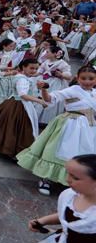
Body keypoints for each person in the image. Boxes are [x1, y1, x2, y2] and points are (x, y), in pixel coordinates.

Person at [18, 65, 96, 195]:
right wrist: (44, 90)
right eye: (84, 78)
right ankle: (46, 178)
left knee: (82, 153)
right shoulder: (73, 90)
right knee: (57, 151)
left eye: (91, 78)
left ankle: (73, 179)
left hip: (89, 127)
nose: (87, 81)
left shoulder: (94, 93)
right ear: (78, 78)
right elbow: (50, 99)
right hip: (70, 124)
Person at [0, 58, 46, 158]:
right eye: (31, 68)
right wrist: (40, 101)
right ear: (23, 67)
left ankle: (6, 147)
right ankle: (14, 150)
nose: (34, 71)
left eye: (36, 69)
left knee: (9, 127)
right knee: (18, 128)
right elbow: (23, 95)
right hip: (19, 105)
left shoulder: (21, 77)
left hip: (14, 103)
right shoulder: (22, 79)